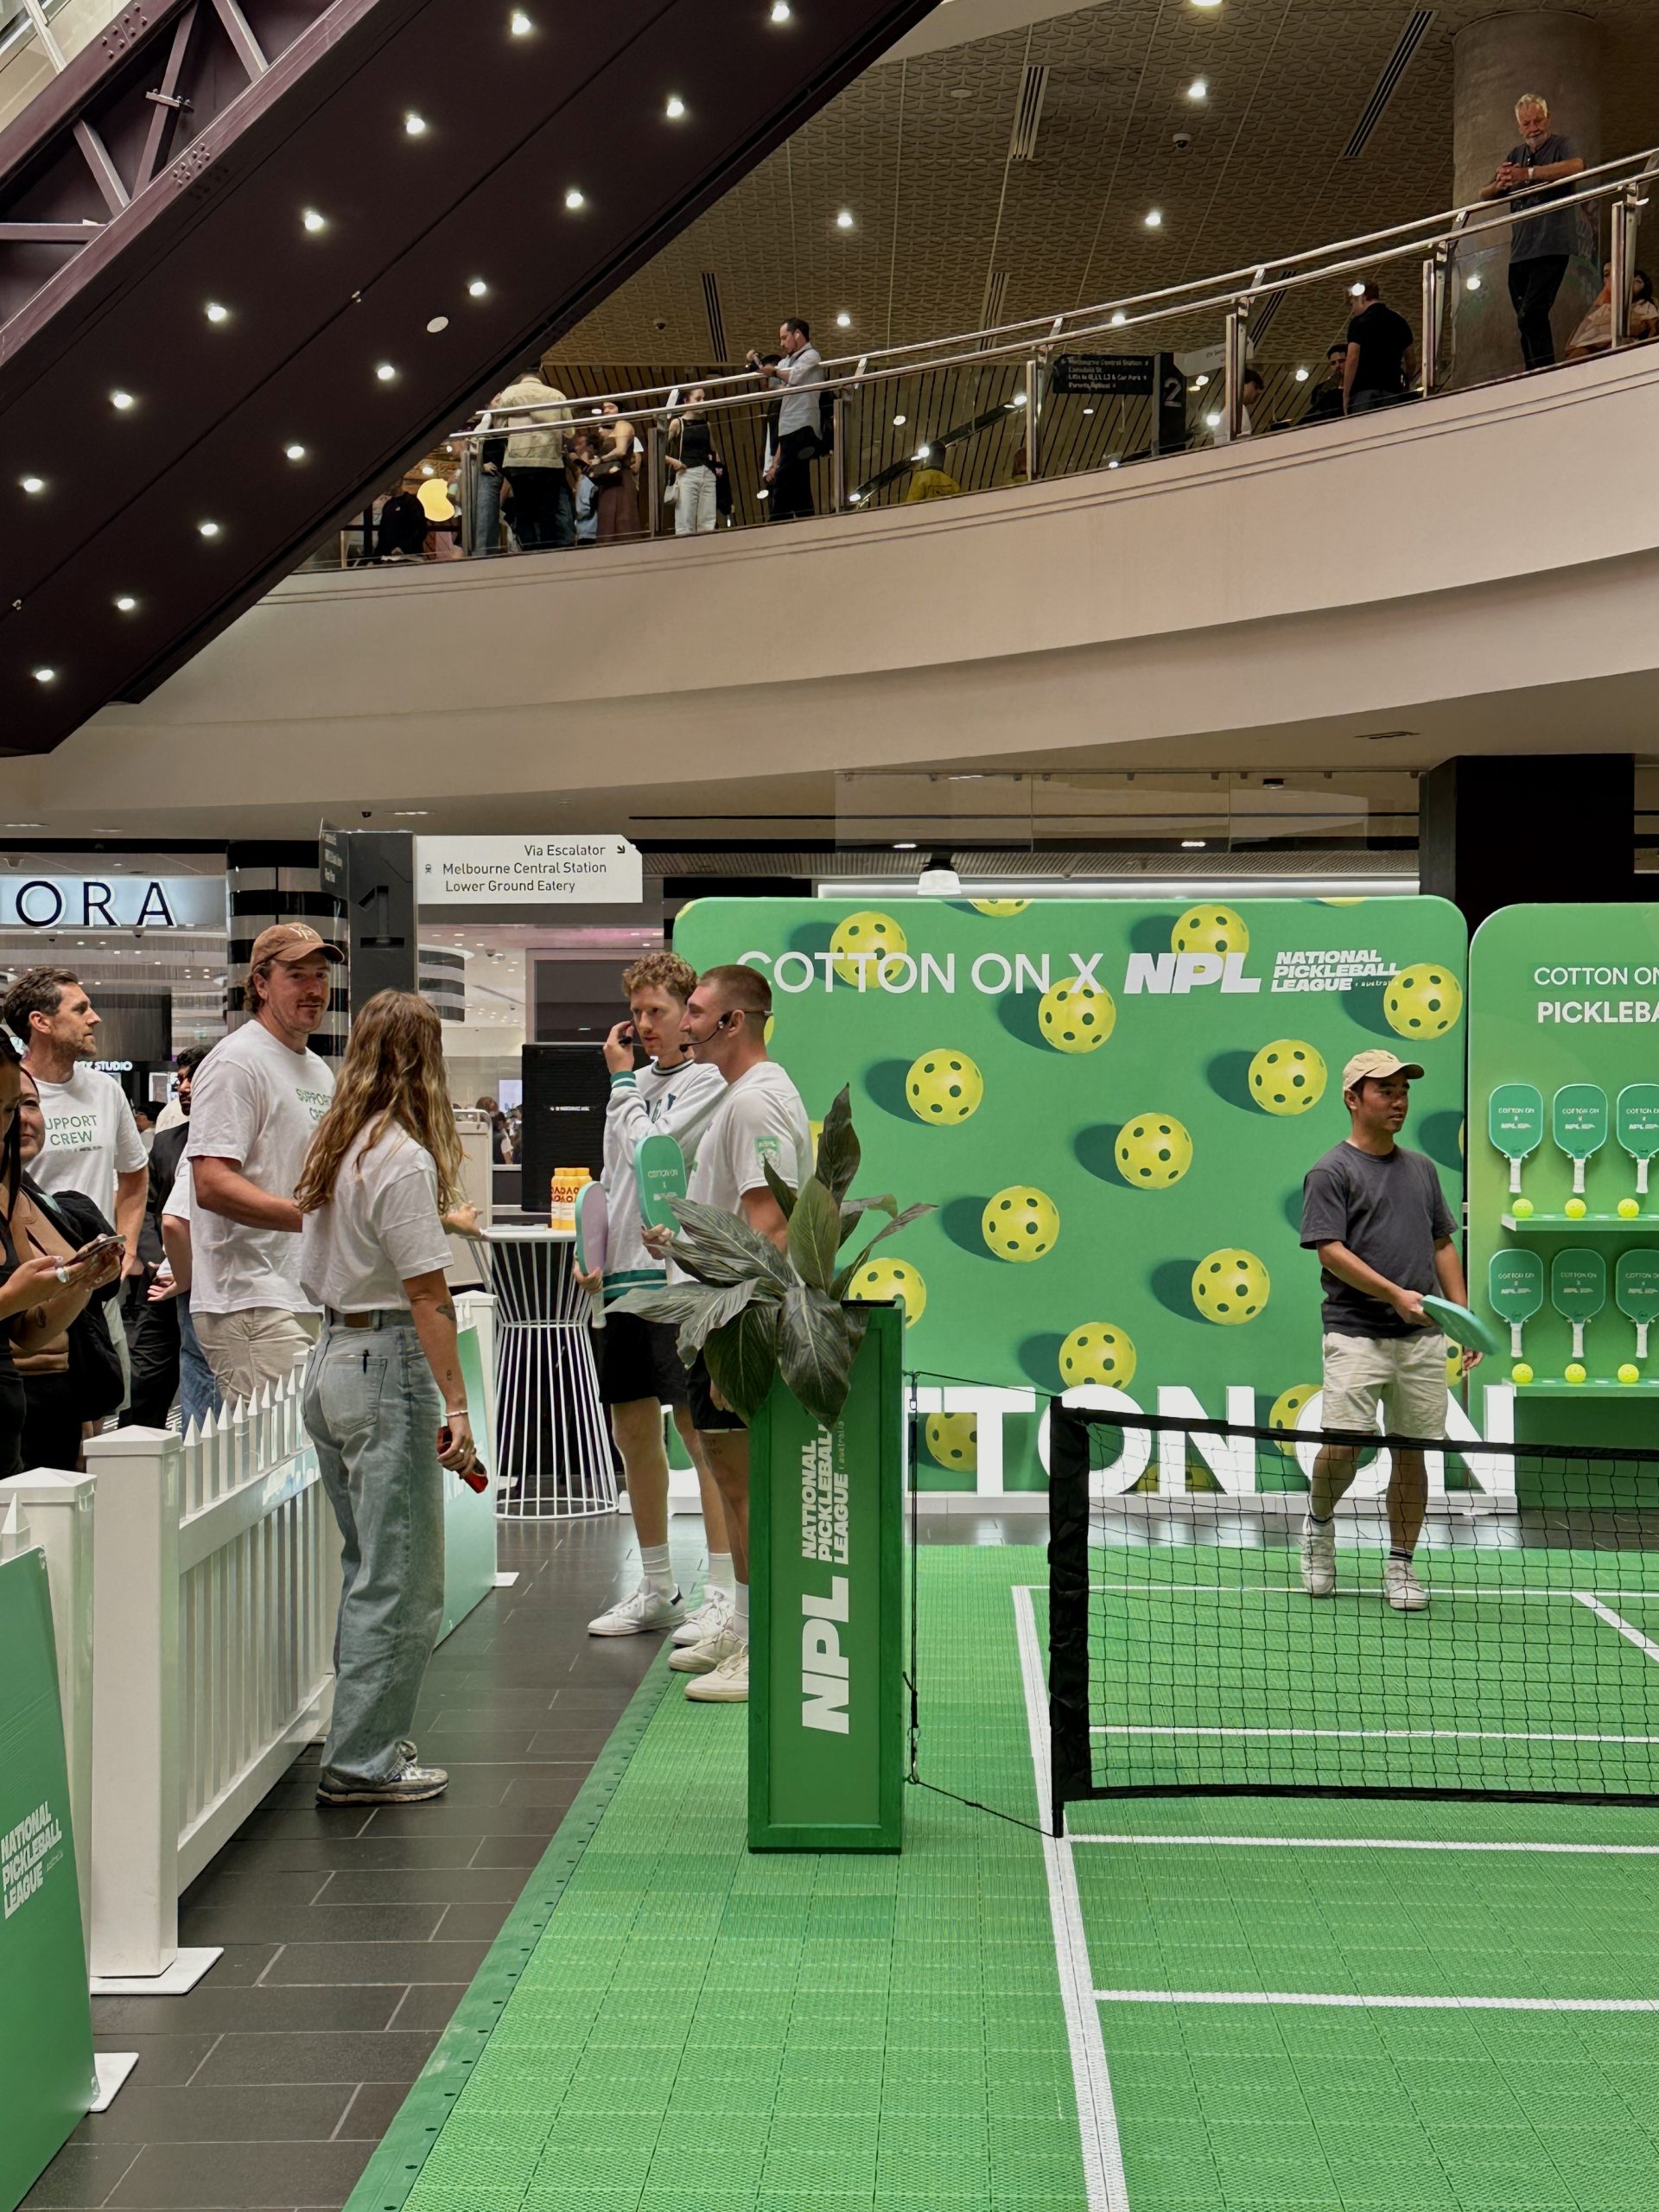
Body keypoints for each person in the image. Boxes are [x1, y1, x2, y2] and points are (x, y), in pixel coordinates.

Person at [296, 991, 479, 1806]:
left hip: (333, 1354)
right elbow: (428, 1297)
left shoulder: (338, 1145)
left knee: (369, 1565)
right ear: (425, 1060)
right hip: (385, 1363)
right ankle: (363, 1761)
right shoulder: (401, 1156)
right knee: (401, 1578)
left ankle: (360, 1741)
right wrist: (458, 1408)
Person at [646, 964, 812, 1704]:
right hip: (715, 1316)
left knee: (747, 1490)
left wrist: (734, 1342)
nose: (683, 1025)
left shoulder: (754, 1102)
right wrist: (678, 1242)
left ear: (733, 1021)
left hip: (735, 1325)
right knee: (731, 1481)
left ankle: (766, 1645)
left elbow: (769, 1228)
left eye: (695, 1011)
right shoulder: (743, 1097)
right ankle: (744, 1626)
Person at [577, 953, 728, 1643]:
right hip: (622, 1283)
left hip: (680, 1282)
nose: (644, 1025)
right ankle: (657, 1585)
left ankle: (723, 1591)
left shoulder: (708, 1082)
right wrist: (593, 1253)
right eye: (636, 1012)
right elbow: (614, 1178)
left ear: (686, 1012)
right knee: (632, 1433)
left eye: (657, 1011)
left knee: (702, 1437)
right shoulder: (631, 1087)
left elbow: (654, 1152)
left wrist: (619, 1085)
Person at [1299, 1049, 1477, 1613]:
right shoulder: (1331, 1172)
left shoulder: (1422, 1169)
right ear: (1353, 1099)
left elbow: (1441, 1244)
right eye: (1386, 1091)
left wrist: (1462, 1317)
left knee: (1412, 1452)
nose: (1399, 1101)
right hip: (1355, 1333)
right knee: (1343, 1447)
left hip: (1420, 1341)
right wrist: (1395, 1295)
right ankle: (1318, 1526)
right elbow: (1330, 1252)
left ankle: (1401, 1563)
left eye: (1404, 1091)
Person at [188, 925, 340, 1403]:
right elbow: (211, 1183)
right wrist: (313, 1219)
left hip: (303, 1293)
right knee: (280, 1446)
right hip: (249, 1299)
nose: (314, 989)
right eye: (297, 975)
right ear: (261, 984)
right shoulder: (237, 1063)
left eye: (321, 975)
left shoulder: (317, 1069)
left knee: (309, 1444)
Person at [0, 1041, 124, 1479]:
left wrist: (82, 1281)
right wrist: (14, 1297)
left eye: (25, 1104)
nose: (17, 1120)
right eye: (8, 1107)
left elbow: (31, 1329)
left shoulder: (43, 1203)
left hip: (49, 1405)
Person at [3, 968, 149, 1301]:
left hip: (98, 1282)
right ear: (41, 1022)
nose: (95, 1018)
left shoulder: (105, 1090)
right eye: (80, 1009)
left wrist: (126, 1247)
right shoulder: (9, 1094)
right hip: (33, 1285)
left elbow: (135, 1174)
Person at [123, 1043, 210, 1430]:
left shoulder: (241, 1142)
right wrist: (153, 1257)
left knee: (204, 1380)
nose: (184, 1088)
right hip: (161, 1278)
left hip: (206, 1282)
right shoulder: (166, 1141)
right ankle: (134, 1450)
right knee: (145, 1379)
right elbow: (147, 1207)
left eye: (193, 1079)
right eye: (180, 1080)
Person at [1478, 94, 1585, 373]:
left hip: (1552, 244)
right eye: (1527, 124)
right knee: (1525, 318)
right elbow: (1484, 193)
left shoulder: (1561, 144)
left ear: (1548, 119)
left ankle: (1543, 373)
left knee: (1533, 313)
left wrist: (1528, 174)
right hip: (1521, 250)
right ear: (1519, 127)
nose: (1533, 128)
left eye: (1538, 121)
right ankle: (1534, 371)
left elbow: (1576, 166)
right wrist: (1502, 182)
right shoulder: (1515, 154)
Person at [154, 1155, 223, 1434]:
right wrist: (184, 1278)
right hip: (210, 1290)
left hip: (209, 1287)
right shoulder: (209, 1145)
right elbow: (173, 1222)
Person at [749, 319, 823, 521]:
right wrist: (756, 364)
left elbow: (794, 376)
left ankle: (776, 522)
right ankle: (807, 520)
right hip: (789, 426)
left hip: (803, 424)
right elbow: (772, 383)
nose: (782, 344)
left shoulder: (811, 355)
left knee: (784, 477)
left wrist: (773, 371)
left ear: (797, 334)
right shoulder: (785, 362)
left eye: (784, 338)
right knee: (798, 480)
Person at [496, 367, 574, 550]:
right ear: (541, 368)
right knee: (548, 512)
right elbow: (570, 431)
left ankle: (529, 552)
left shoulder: (510, 393)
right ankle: (548, 552)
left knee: (524, 511)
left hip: (518, 459)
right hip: (550, 459)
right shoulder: (556, 395)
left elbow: (499, 427)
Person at [1343, 279, 1415, 413]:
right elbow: (1411, 361)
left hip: (1364, 393)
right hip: (1392, 391)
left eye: (1352, 304)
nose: (1353, 310)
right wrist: (1404, 382)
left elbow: (1353, 357)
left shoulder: (1359, 322)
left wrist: (1346, 394)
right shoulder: (1399, 321)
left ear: (1362, 298)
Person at [1567, 265, 1659, 359]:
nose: (1633, 283)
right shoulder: (1606, 307)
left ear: (1645, 287)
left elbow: (1654, 325)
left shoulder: (1645, 305)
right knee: (1579, 353)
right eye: (1630, 280)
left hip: (1621, 342)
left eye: (1638, 281)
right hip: (1594, 340)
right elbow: (1586, 325)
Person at [665, 387, 721, 535]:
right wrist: (674, 462)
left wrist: (718, 466)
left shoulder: (706, 424)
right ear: (686, 401)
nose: (703, 402)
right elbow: (659, 450)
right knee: (685, 520)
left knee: (708, 521)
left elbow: (713, 449)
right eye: (698, 399)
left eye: (704, 398)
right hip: (686, 473)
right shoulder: (677, 423)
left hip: (707, 473)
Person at [591, 401, 645, 541]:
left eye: (611, 407)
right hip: (610, 480)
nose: (606, 411)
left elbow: (621, 450)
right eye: (604, 408)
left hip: (621, 479)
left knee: (622, 520)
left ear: (620, 410)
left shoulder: (622, 424)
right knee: (609, 519)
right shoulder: (614, 428)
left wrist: (601, 460)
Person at [1302, 344, 1350, 423]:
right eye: (1333, 363)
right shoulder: (1319, 388)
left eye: (1341, 361)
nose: (1338, 365)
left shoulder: (1358, 385)